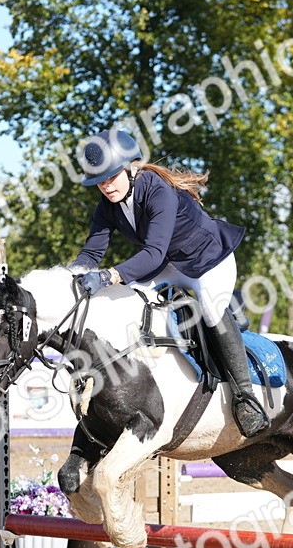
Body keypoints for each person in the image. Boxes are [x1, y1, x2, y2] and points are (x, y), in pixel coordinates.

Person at [70, 129, 270, 437]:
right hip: (168, 265)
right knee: (125, 299)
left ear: (129, 167)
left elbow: (152, 253)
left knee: (212, 311)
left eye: (110, 177)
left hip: (208, 261)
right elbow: (92, 251)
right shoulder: (106, 207)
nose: (105, 186)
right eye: (99, 181)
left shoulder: (157, 189)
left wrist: (109, 275)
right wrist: (69, 279)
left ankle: (246, 397)